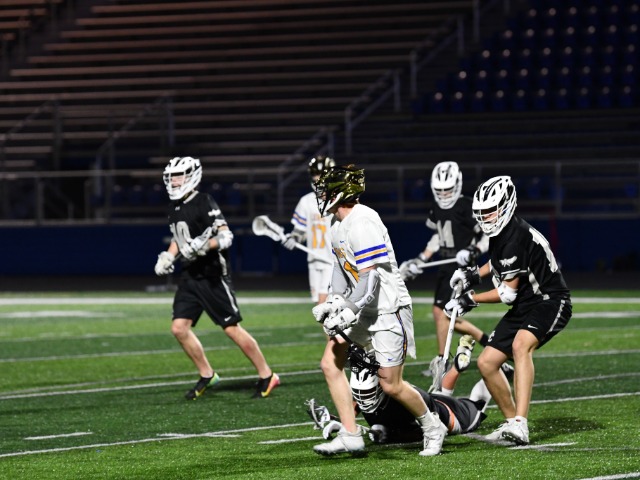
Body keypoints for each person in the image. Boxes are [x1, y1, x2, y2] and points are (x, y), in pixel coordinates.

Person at [309, 164, 445, 457]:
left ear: (342, 192)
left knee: (391, 384)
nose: (321, 194)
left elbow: (370, 278)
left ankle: (433, 426)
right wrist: (333, 300)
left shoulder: (363, 221)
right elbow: (340, 266)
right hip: (364, 308)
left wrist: (349, 308)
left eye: (326, 189)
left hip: (387, 308)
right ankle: (350, 433)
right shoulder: (336, 224)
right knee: (330, 363)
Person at [445, 175, 572, 445]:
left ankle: (521, 424)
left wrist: (470, 299)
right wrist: (472, 275)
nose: (486, 217)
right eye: (482, 212)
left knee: (520, 345)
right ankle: (511, 421)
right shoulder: (504, 232)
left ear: (506, 205)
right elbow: (496, 263)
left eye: (491, 211)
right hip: (526, 302)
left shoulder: (515, 236)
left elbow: (506, 293)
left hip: (549, 300)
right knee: (487, 362)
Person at [153, 156, 280, 400]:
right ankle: (207, 374)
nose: (174, 181)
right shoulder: (174, 207)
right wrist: (168, 256)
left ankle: (267, 374)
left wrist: (205, 246)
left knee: (231, 328)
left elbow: (225, 236)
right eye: (171, 177)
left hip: (212, 275)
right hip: (190, 275)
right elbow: (179, 239)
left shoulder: (203, 201)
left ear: (192, 176)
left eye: (178, 176)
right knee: (179, 328)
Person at [307, 335, 491, 448]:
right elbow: (354, 409)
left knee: (478, 402)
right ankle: (457, 368)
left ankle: (495, 373)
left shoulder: (401, 402)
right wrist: (338, 422)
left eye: (368, 393)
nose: (363, 399)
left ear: (379, 389)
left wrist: (382, 434)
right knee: (440, 393)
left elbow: (419, 433)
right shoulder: (368, 395)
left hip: (451, 416)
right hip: (431, 401)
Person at [401, 161, 490, 377]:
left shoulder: (466, 206)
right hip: (445, 264)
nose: (444, 194)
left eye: (447, 190)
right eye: (439, 190)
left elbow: (487, 234)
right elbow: (438, 237)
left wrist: (473, 250)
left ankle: (443, 362)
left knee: (441, 313)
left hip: (462, 267)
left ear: (457, 185)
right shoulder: (436, 207)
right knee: (445, 314)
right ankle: (486, 341)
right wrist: (422, 258)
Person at [281, 156, 336, 305]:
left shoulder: (338, 201)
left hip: (333, 260)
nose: (318, 181)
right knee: (320, 309)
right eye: (315, 177)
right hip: (314, 259)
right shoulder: (306, 201)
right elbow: (301, 230)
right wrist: (295, 238)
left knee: (324, 306)